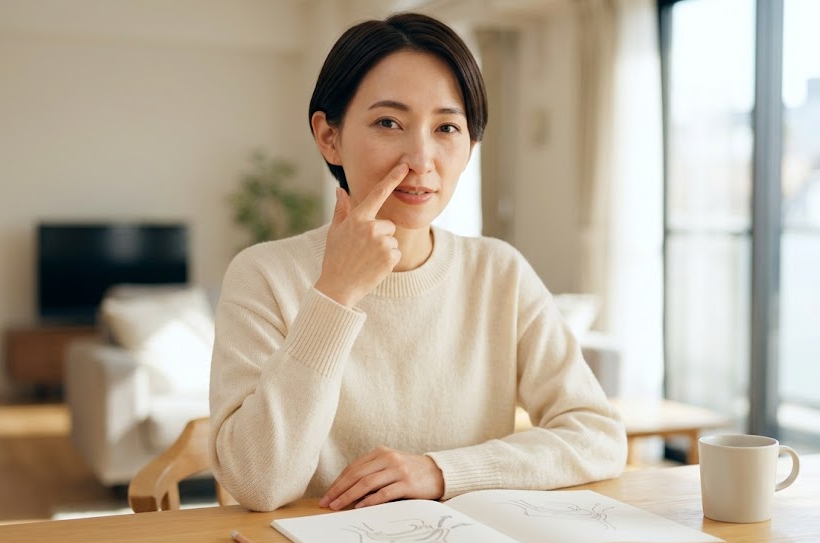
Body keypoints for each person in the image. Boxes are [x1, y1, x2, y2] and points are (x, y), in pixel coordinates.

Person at [208, 12, 627, 512]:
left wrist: (442, 471)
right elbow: (260, 483)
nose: (422, 158)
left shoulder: (499, 272)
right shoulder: (264, 275)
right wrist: (335, 293)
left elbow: (598, 435)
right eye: (389, 122)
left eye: (447, 127)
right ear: (329, 137)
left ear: (471, 146)